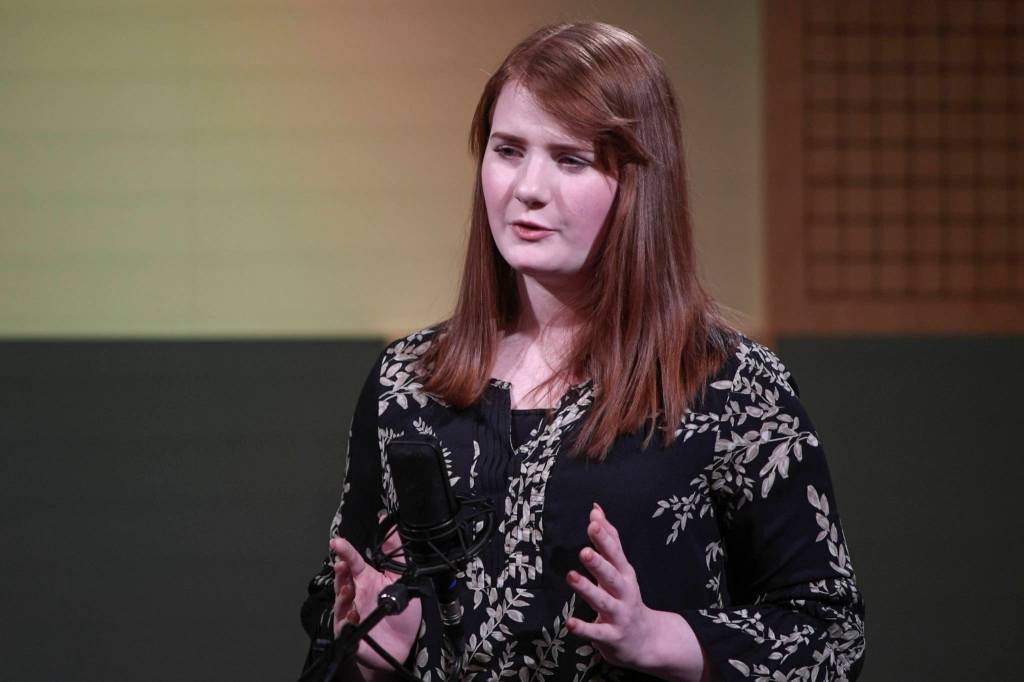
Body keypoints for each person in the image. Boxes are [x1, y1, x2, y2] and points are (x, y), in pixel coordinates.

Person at [300, 21, 865, 682]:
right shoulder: (408, 384)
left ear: (635, 185)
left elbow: (830, 635)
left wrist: (663, 638)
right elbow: (332, 630)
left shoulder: (733, 387)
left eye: (568, 159)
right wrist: (370, 651)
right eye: (508, 150)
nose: (528, 188)